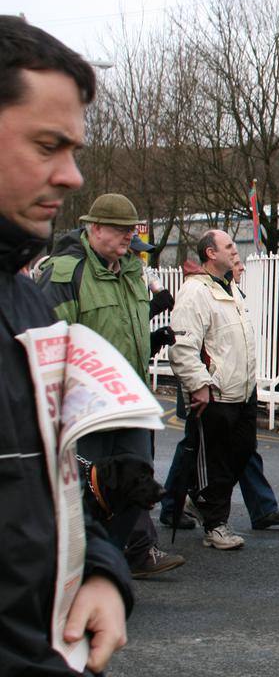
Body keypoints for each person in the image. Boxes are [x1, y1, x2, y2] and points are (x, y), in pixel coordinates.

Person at [0, 12, 132, 675]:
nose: (73, 175)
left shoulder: (25, 301)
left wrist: (101, 573)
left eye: (75, 150)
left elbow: (51, 488)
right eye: (48, 145)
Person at [38, 192, 184, 578]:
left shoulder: (133, 270)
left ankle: (118, 561)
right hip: (85, 407)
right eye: (120, 230)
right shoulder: (67, 273)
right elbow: (50, 342)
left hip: (131, 400)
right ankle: (77, 572)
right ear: (95, 228)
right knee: (86, 493)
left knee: (138, 487)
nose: (128, 238)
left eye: (130, 230)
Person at [167, 230, 258, 550]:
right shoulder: (195, 291)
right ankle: (215, 524)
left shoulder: (229, 286)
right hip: (215, 393)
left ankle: (199, 497)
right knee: (214, 461)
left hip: (243, 392)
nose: (236, 250)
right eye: (229, 246)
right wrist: (199, 384)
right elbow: (182, 346)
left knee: (243, 451)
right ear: (210, 253)